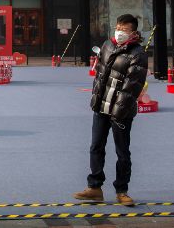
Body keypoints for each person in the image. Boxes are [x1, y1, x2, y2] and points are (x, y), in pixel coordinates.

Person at [73, 14, 148, 207]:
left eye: (124, 29)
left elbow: (133, 86)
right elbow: (99, 74)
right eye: (118, 27)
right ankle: (94, 187)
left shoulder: (138, 53)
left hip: (121, 112)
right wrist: (96, 99)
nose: (119, 31)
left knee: (122, 151)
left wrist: (118, 110)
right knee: (96, 146)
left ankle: (122, 190)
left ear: (133, 32)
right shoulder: (108, 45)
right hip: (101, 107)